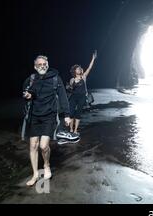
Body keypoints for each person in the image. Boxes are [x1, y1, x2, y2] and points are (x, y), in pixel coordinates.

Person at [22, 55, 71, 186]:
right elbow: (28, 93)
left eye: (44, 64)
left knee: (43, 146)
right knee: (33, 146)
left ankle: (46, 164)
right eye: (40, 64)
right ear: (35, 67)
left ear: (47, 65)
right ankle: (35, 175)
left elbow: (63, 96)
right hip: (34, 116)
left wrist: (67, 114)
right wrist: (27, 95)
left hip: (49, 115)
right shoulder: (32, 79)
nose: (42, 66)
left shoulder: (56, 78)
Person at [67, 51, 97, 135]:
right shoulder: (72, 79)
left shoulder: (84, 77)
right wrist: (69, 87)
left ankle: (75, 130)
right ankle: (71, 129)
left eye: (80, 68)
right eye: (77, 68)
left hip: (82, 97)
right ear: (74, 71)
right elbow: (70, 89)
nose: (79, 69)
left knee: (78, 114)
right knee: (71, 113)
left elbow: (89, 68)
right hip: (73, 97)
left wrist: (93, 59)